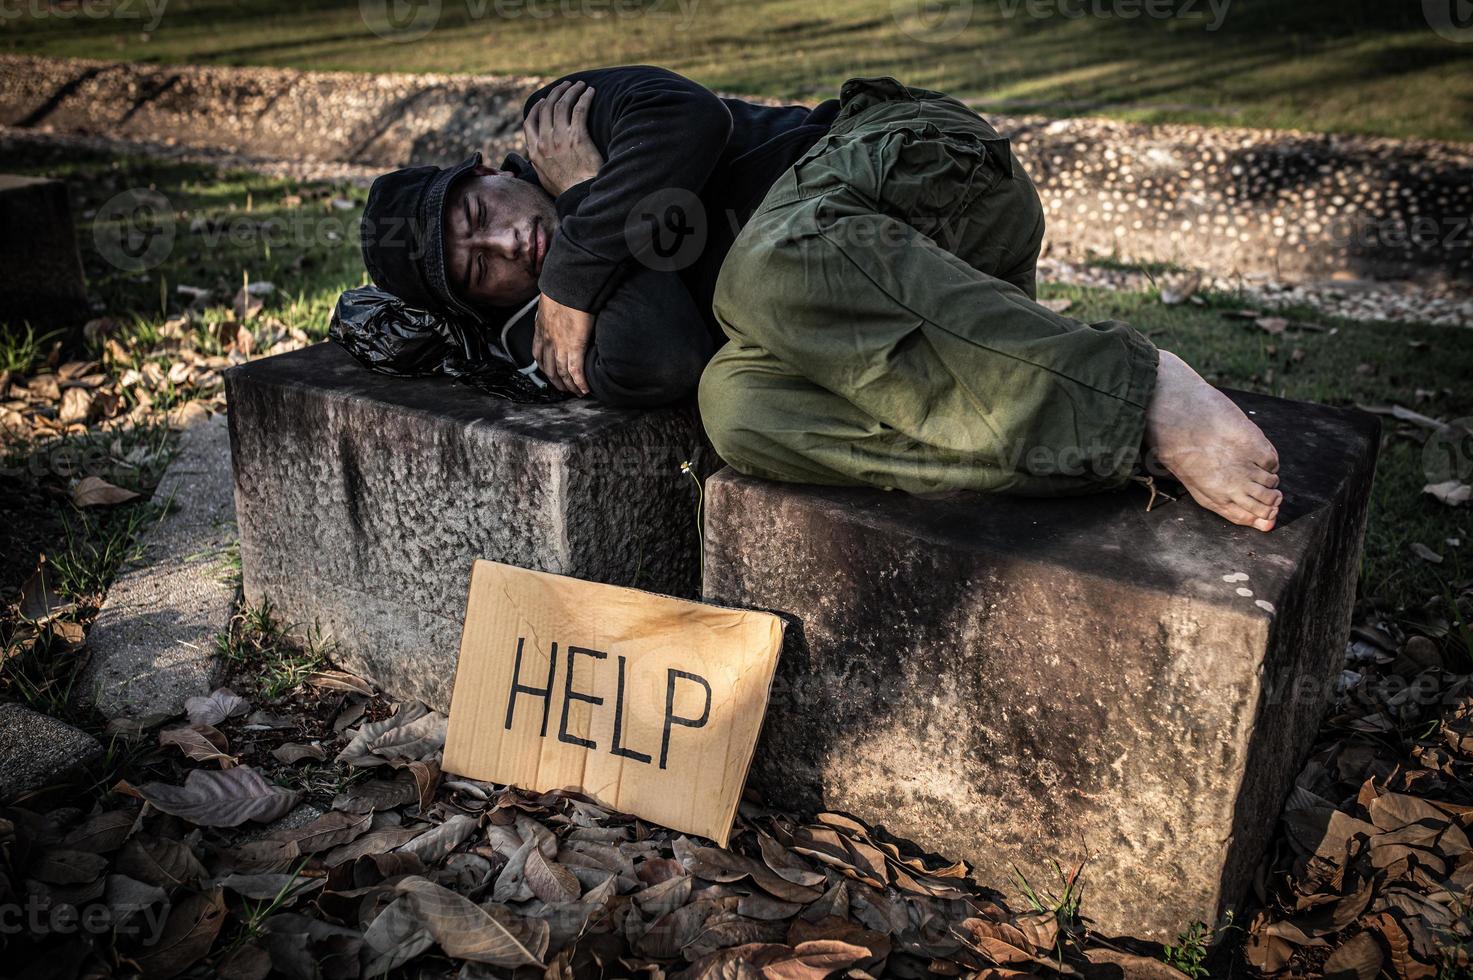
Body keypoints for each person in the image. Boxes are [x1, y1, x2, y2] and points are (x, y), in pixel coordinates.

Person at [360, 66, 1282, 532]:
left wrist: (575, 247)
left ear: (487, 171)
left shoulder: (568, 119)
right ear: (487, 303)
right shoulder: (554, 322)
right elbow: (665, 360)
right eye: (481, 265)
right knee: (738, 410)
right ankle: (1111, 449)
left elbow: (688, 120)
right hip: (929, 311)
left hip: (925, 176)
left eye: (481, 213)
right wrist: (586, 212)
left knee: (756, 271)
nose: (506, 241)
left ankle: (1141, 390)